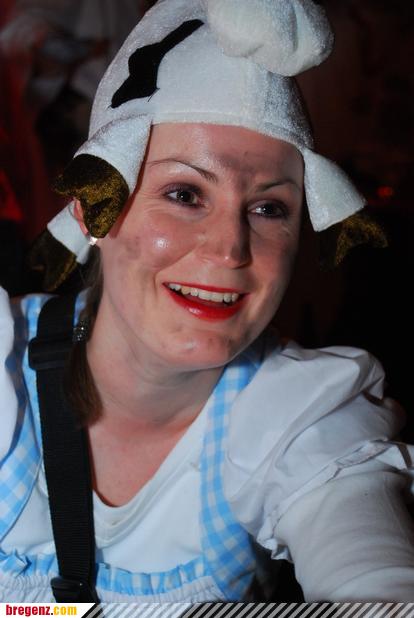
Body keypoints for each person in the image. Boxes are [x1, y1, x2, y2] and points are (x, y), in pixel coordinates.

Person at [1, 0, 414, 604]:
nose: (229, 249)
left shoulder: (299, 418)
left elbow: (375, 577)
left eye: (269, 208)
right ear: (93, 210)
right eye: (185, 194)